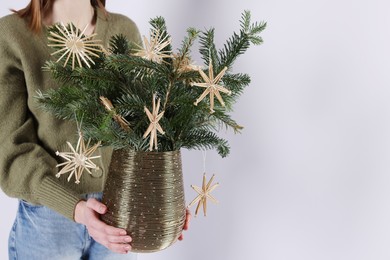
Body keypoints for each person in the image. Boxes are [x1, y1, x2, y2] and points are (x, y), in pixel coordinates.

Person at [0, 0, 190, 259]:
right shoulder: (13, 35)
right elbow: (9, 148)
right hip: (48, 219)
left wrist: (165, 194)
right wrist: (74, 207)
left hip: (121, 211)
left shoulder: (124, 30)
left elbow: (145, 129)